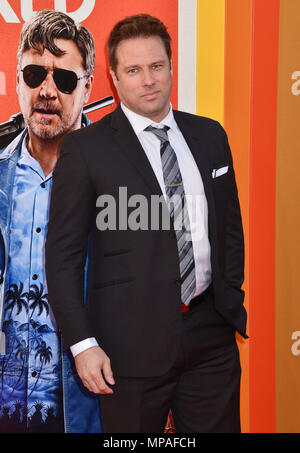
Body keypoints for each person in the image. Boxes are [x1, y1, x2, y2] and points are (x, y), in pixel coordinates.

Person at [45, 13, 248, 433]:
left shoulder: (210, 136)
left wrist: (230, 298)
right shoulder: (85, 150)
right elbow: (63, 258)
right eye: (133, 70)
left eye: (156, 66)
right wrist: (83, 346)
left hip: (211, 337)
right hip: (126, 351)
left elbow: (229, 229)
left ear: (171, 67)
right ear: (114, 79)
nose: (148, 79)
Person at [0, 9, 102, 433]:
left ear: (87, 87)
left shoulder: (119, 176)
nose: (46, 91)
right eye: (34, 74)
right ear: (17, 78)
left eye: (63, 79)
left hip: (82, 408)